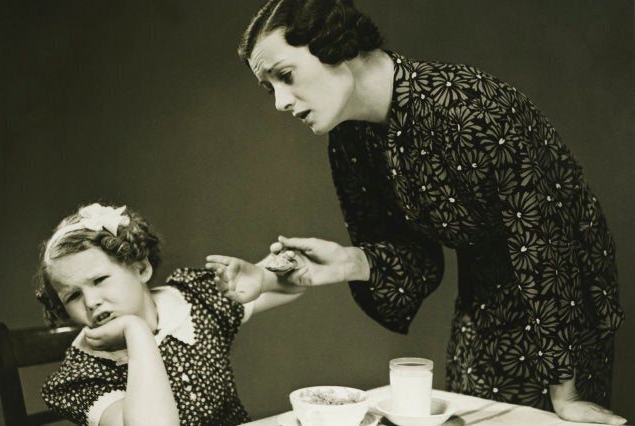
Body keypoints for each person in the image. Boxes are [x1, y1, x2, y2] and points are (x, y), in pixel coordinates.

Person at [233, 0, 626, 423]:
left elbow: (546, 246)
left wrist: (566, 394)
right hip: (482, 297)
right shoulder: (350, 139)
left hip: (564, 298)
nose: (279, 103)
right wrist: (350, 261)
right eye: (268, 87)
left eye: (286, 76)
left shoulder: (469, 107)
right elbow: (418, 259)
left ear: (337, 44)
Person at [36, 202, 303, 426]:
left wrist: (265, 275)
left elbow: (293, 287)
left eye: (99, 280)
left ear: (141, 269)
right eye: (73, 296)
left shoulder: (193, 299)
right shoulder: (81, 374)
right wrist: (135, 330)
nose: (91, 301)